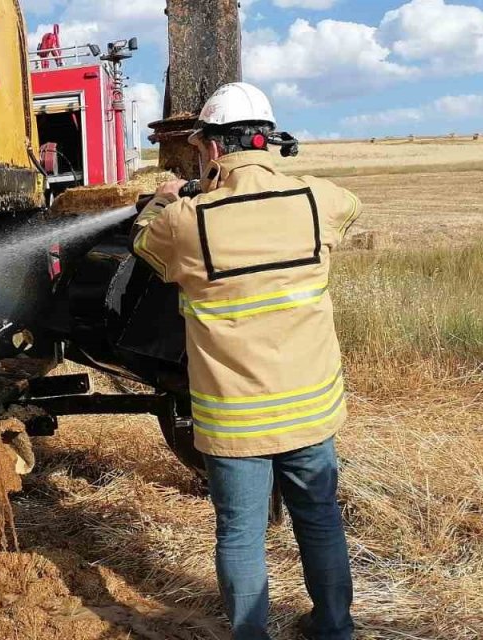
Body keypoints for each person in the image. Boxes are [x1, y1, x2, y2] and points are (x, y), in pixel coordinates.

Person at [131, 82, 361, 640]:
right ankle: (334, 629)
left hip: (236, 417)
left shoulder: (188, 221)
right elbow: (348, 206)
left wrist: (169, 195)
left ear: (211, 149)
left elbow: (144, 244)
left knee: (240, 534)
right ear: (270, 139)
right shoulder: (315, 200)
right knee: (321, 521)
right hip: (310, 409)